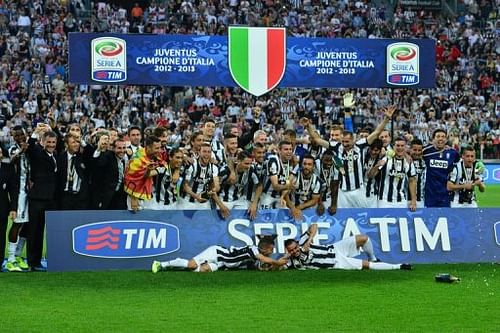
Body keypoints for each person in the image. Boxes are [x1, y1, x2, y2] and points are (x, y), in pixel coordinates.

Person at [283, 224, 412, 271]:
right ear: (288, 251)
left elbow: (314, 226)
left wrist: (310, 239)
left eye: (294, 248)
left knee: (364, 238)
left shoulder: (302, 242)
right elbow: (277, 265)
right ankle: (399, 266)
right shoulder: (292, 262)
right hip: (336, 262)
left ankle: (373, 258)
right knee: (367, 266)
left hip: (334, 249)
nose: (294, 251)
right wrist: (283, 257)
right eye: (291, 251)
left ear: (296, 244)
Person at [151, 234, 288, 273]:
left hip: (222, 263)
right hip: (216, 253)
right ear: (265, 249)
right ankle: (161, 264)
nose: (272, 252)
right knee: (192, 265)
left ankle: (175, 267)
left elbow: (261, 266)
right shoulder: (254, 251)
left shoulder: (256, 252)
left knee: (198, 271)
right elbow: (265, 260)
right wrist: (278, 262)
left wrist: (273, 267)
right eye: (271, 249)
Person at [26, 125, 58, 271]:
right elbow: (30, 148)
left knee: (50, 231)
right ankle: (33, 262)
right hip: (38, 199)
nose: (51, 145)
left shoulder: (55, 155)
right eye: (48, 142)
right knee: (35, 231)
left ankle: (46, 259)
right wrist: (35, 133)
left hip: (51, 199)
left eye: (53, 142)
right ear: (43, 142)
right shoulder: (37, 153)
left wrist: (52, 127)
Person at [5, 126, 30, 271]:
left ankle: (19, 255)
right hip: (19, 192)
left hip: (31, 192)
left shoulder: (31, 147)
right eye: (16, 135)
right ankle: (10, 258)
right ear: (13, 137)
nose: (19, 137)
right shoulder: (13, 149)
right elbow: (12, 160)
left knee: (27, 224)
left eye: (21, 134)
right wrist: (22, 150)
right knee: (17, 223)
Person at [369, 137, 417, 210]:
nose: (400, 148)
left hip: (401, 201)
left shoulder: (409, 162)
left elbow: (412, 180)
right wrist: (377, 166)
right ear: (393, 147)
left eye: (402, 146)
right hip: (384, 201)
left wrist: (413, 201)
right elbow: (371, 176)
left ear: (405, 147)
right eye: (397, 145)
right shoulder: (386, 159)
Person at [124, 135, 164, 212]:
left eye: (160, 148)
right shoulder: (137, 159)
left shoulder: (156, 155)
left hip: (150, 195)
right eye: (156, 148)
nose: (159, 150)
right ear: (148, 148)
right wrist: (133, 198)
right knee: (136, 222)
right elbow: (129, 179)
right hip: (136, 197)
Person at [422, 129, 459, 207]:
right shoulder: (426, 151)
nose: (440, 139)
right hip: (430, 194)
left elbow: (461, 162)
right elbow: (413, 154)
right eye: (438, 136)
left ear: (446, 139)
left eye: (443, 137)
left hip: (445, 195)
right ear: (433, 139)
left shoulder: (452, 153)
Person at [93, 135, 128, 210]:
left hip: (120, 197)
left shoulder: (125, 158)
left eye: (124, 148)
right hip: (106, 197)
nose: (122, 150)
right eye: (119, 148)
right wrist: (100, 150)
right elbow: (98, 165)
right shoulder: (108, 157)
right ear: (113, 148)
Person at [0, 149, 19, 271]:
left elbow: (13, 189)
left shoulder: (8, 167)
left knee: (1, 235)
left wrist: (13, 208)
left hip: (2, 207)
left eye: (0, 152)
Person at [409, 139, 426, 208]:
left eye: (419, 150)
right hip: (405, 199)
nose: (417, 152)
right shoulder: (406, 161)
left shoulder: (425, 162)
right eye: (414, 150)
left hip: (421, 200)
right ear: (410, 149)